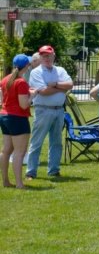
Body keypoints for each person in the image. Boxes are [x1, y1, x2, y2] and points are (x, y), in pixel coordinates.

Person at [25, 45, 73, 180]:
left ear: (53, 56)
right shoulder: (36, 72)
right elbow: (44, 92)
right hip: (43, 110)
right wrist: (61, 88)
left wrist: (55, 84)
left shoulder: (60, 70)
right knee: (37, 142)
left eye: (49, 55)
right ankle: (31, 172)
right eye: (44, 56)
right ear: (40, 57)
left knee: (56, 142)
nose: (47, 58)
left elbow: (70, 85)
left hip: (59, 110)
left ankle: (54, 170)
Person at [1, 54, 33, 188]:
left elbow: (3, 100)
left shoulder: (5, 79)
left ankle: (5, 181)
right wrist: (33, 96)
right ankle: (19, 184)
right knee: (19, 152)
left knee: (6, 151)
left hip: (4, 116)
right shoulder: (21, 82)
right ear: (27, 66)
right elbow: (24, 105)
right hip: (18, 118)